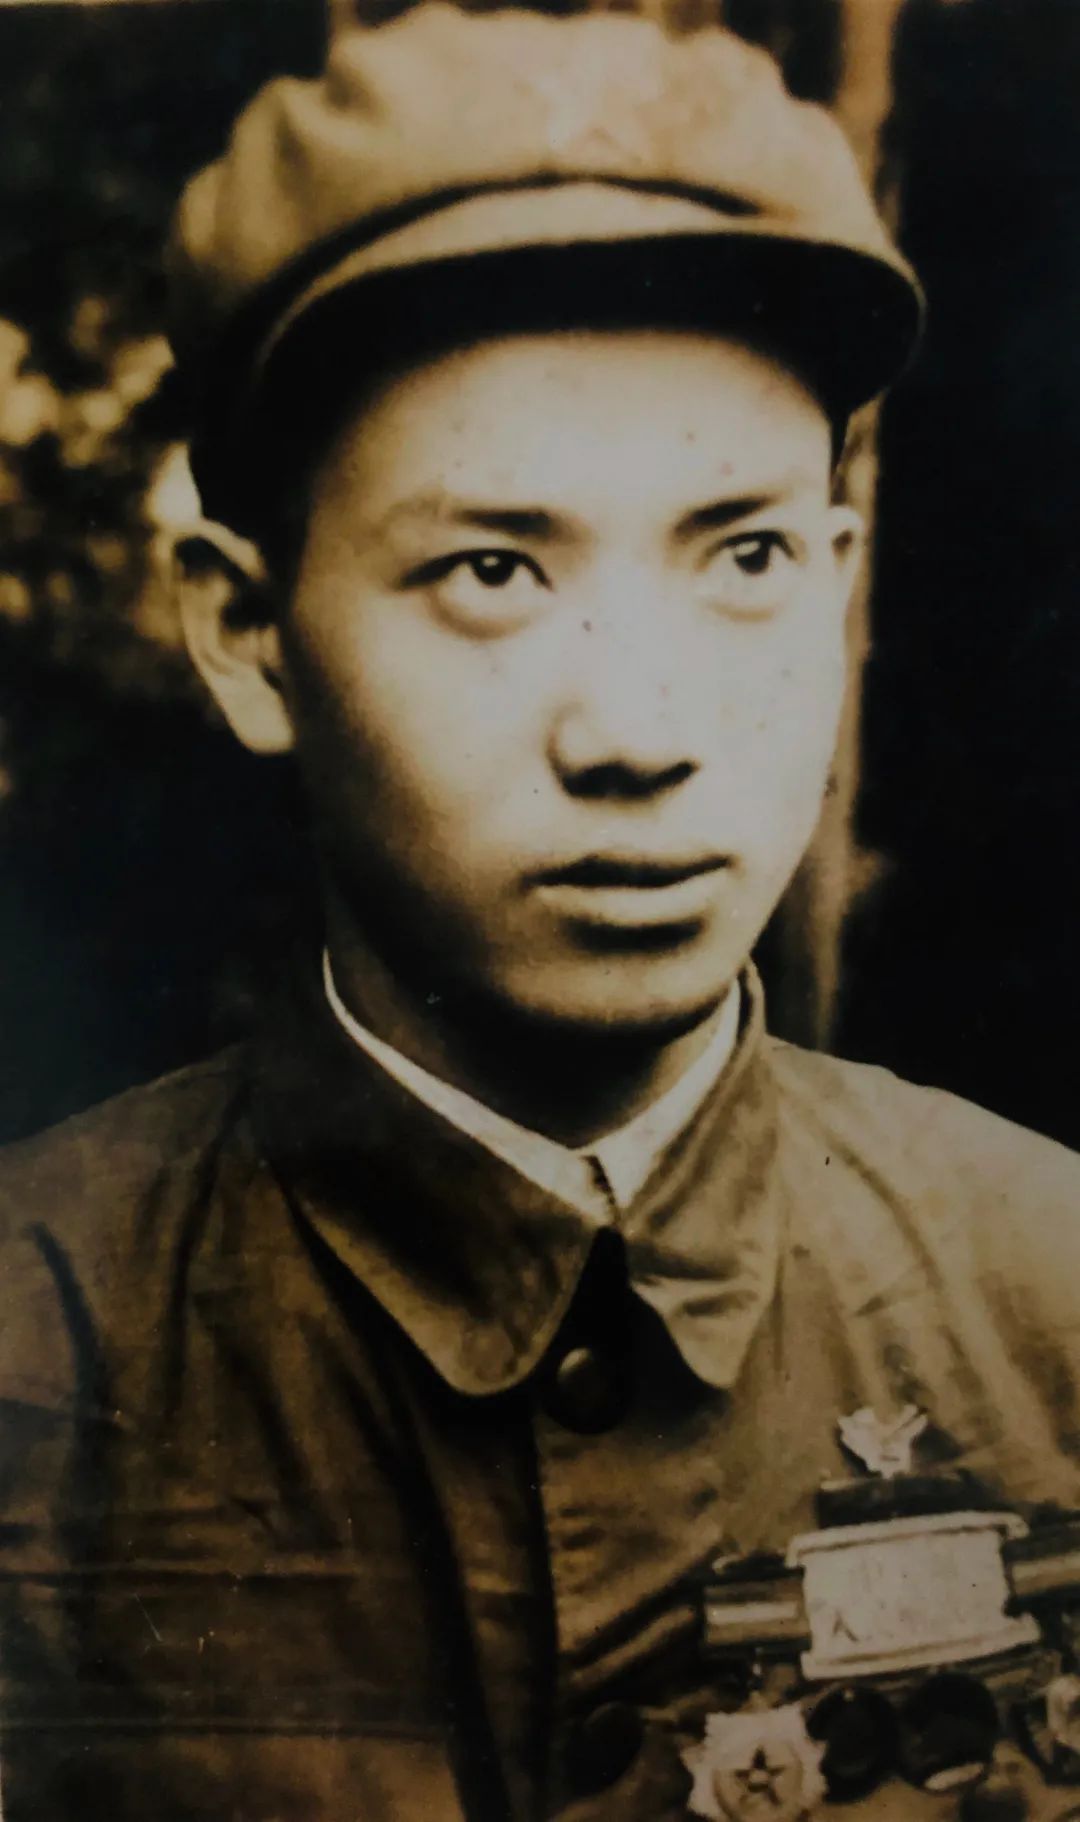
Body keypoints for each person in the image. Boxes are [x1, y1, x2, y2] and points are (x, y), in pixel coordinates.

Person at [1, 8, 1079, 1820]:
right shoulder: (36, 1354)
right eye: (493, 569)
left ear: (837, 588)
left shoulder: (1053, 1295)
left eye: (744, 557)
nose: (639, 732)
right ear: (246, 633)